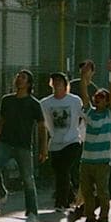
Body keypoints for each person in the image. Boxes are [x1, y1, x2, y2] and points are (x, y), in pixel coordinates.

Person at [0, 69, 47, 222]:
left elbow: (41, 127)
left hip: (23, 146)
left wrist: (43, 148)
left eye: (23, 77)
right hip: (4, 142)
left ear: (28, 83)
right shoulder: (7, 100)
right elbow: (2, 121)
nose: (19, 79)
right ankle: (1, 193)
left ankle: (32, 212)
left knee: (28, 179)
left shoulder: (34, 104)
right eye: (18, 76)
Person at [73, 58, 111, 222]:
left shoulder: (110, 114)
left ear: (107, 101)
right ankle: (90, 218)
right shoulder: (89, 113)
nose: (97, 99)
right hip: (87, 161)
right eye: (96, 96)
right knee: (87, 192)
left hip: (102, 161)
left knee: (103, 192)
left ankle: (104, 218)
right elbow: (84, 94)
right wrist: (84, 76)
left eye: (101, 97)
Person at [40, 71, 85, 212]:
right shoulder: (46, 103)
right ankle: (70, 196)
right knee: (59, 172)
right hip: (55, 143)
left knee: (64, 170)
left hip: (72, 141)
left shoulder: (74, 100)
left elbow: (84, 116)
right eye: (55, 82)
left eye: (60, 82)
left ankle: (61, 202)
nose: (57, 84)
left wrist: (81, 134)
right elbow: (44, 123)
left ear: (65, 85)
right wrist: (44, 147)